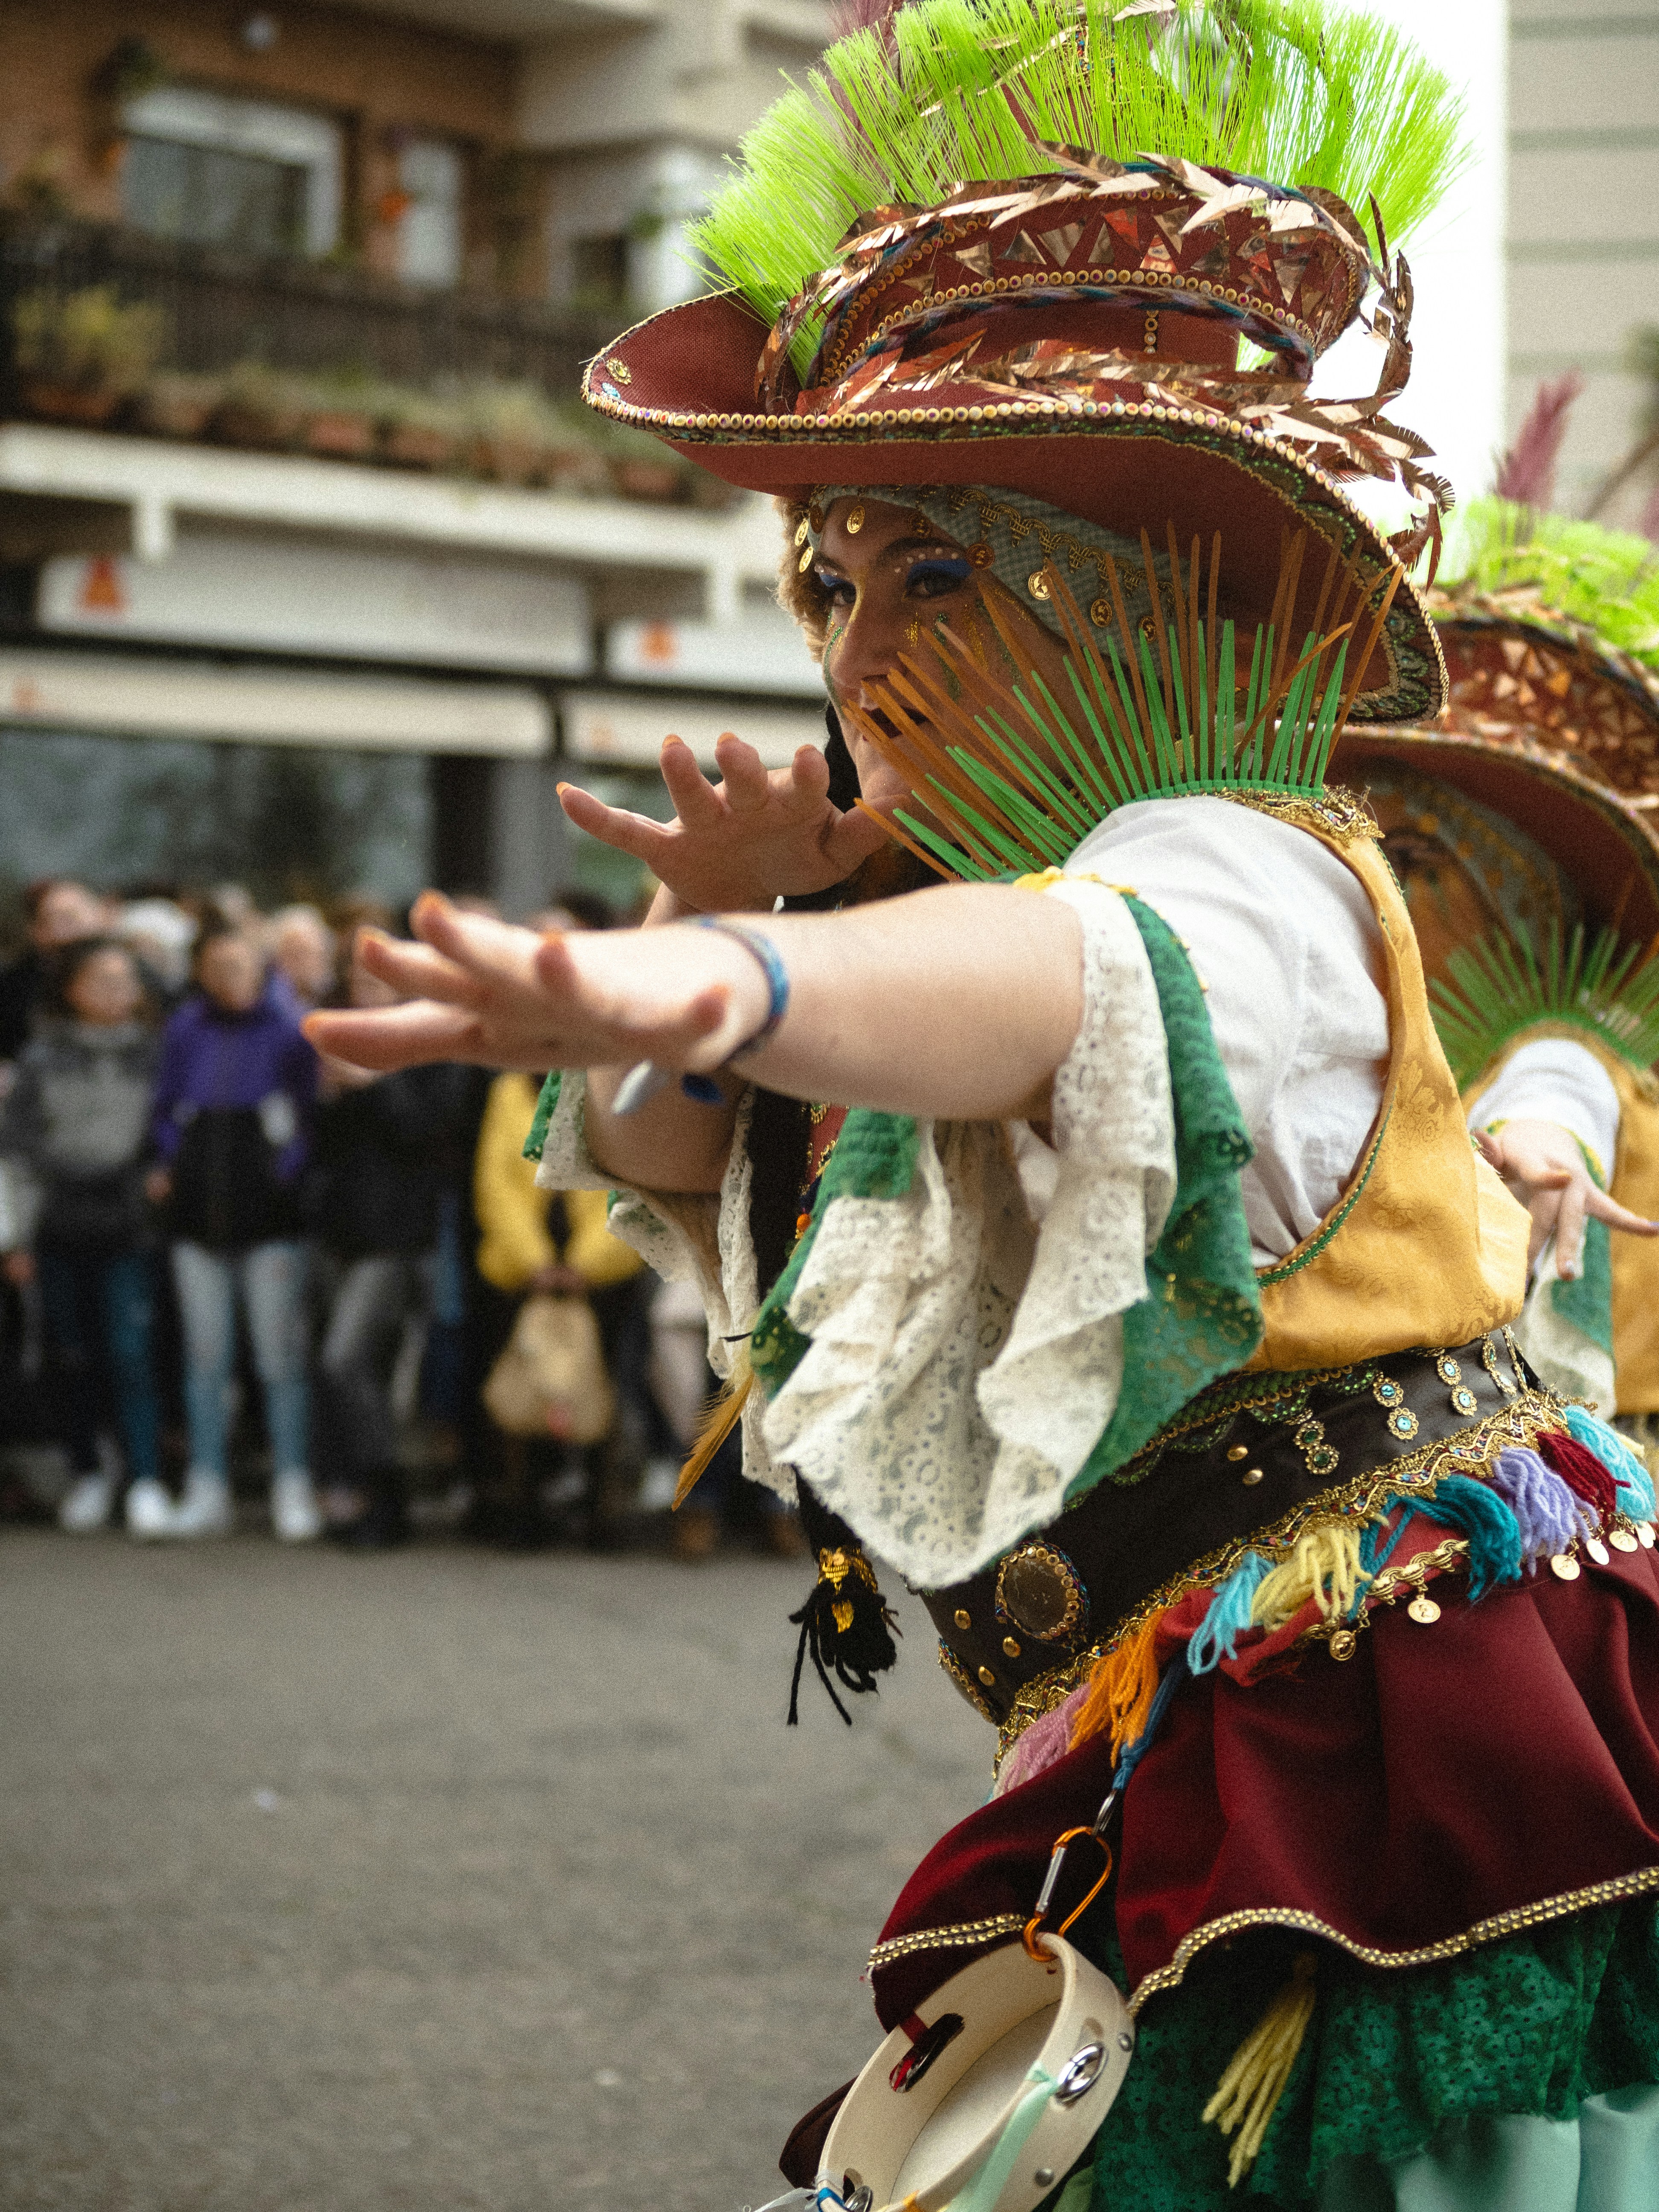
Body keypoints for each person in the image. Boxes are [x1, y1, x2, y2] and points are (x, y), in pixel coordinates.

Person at [308, 3, 1659, 2200]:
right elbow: (717, 1176)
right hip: (1193, 1690)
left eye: (940, 568)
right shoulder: (958, 922)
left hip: (1397, 1703)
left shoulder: (1239, 866)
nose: (855, 649)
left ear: (1155, 596)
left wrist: (731, 968)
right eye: (831, 580)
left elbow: (1060, 978)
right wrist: (697, 990)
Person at [1345, 482, 1659, 1435]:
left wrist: (1542, 1147)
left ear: (1522, 903)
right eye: (1348, 851)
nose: (1366, 895)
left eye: (1411, 862)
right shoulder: (1384, 1078)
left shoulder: (1561, 1042)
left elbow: (1560, 1094)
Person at [150, 925, 321, 1541]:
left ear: (262, 969)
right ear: (201, 972)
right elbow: (165, 1107)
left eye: (242, 966)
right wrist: (172, 1162)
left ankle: (292, 1484)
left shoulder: (289, 1029)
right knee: (205, 1362)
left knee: (279, 1362)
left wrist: (282, 1176)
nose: (231, 978)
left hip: (270, 1223)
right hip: (197, 1221)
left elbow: (307, 1119)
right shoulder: (185, 1030)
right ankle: (207, 1484)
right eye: (218, 967)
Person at [308, 930, 476, 1546]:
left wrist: (373, 1083)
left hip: (400, 1237)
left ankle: (388, 1492)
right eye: (358, 982)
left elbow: (429, 1133)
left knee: (344, 1359)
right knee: (360, 1370)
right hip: (340, 1230)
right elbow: (321, 1150)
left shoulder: (434, 1045)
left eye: (378, 980)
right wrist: (330, 1098)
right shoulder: (344, 1043)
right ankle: (363, 1494)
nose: (365, 992)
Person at [0, 937, 170, 1535]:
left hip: (127, 1224)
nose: (116, 991)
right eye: (101, 979)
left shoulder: (154, 1055)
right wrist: (17, 1240)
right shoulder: (44, 1058)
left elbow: (166, 1138)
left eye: (126, 980)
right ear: (72, 990)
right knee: (71, 1355)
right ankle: (90, 1470)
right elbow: (17, 1151)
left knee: (130, 1352)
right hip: (56, 1222)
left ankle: (146, 1478)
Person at [469, 1065, 647, 1547]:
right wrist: (536, 1264)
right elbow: (495, 1184)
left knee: (599, 1384)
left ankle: (600, 1508)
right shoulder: (507, 1091)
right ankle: (523, 1505)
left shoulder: (611, 1087)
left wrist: (586, 1265)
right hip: (523, 1270)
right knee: (523, 1385)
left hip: (601, 1271)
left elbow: (629, 1184)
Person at [0, 879, 113, 1065]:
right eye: (57, 920)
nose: (70, 930)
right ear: (37, 932)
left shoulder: (135, 971)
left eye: (74, 917)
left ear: (105, 916)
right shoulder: (14, 987)